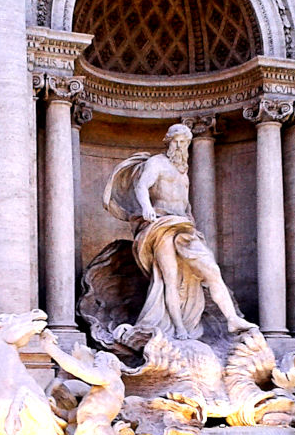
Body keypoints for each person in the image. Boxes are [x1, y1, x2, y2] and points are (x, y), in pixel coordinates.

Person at [103, 124, 255, 340]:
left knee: (211, 270)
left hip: (184, 227)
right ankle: (178, 328)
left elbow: (185, 204)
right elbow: (141, 186)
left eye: (184, 142)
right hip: (161, 224)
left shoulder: (183, 172)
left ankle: (231, 318)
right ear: (168, 141)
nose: (180, 145)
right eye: (176, 141)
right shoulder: (157, 163)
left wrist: (191, 221)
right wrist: (146, 207)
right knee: (170, 279)